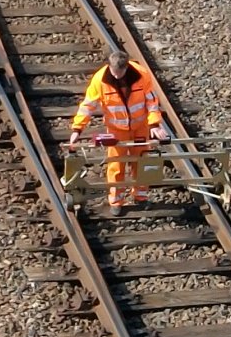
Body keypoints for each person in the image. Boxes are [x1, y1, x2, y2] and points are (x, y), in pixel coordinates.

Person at [68, 50, 169, 216]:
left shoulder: (141, 75)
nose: (116, 76)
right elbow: (88, 106)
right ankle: (116, 201)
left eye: (119, 73)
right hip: (116, 130)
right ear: (109, 65)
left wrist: (154, 124)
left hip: (140, 126)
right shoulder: (100, 80)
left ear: (126, 67)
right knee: (116, 165)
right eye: (113, 72)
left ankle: (141, 196)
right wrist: (77, 129)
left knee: (142, 161)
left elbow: (152, 102)